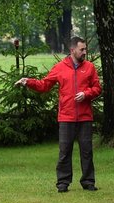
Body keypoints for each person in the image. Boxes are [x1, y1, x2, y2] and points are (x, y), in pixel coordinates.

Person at [16, 36, 102, 192]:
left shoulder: (89, 67)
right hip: (66, 117)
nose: (85, 52)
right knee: (64, 151)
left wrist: (86, 94)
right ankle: (63, 183)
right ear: (72, 50)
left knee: (87, 151)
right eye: (82, 49)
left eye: (85, 49)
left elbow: (97, 88)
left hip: (85, 117)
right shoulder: (60, 67)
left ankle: (88, 182)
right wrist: (28, 81)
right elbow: (44, 85)